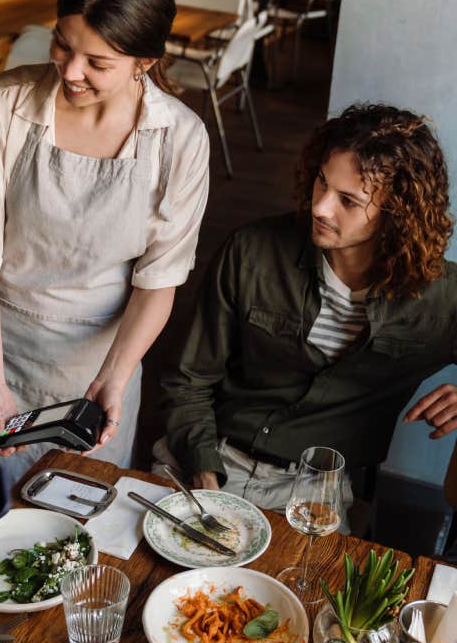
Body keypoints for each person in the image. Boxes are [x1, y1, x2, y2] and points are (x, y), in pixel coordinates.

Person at [0, 0, 210, 484]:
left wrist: (113, 378)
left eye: (98, 62)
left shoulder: (179, 139)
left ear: (145, 61)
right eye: (62, 44)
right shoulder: (4, 103)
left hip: (100, 358)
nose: (70, 71)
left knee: (75, 522)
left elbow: (158, 281)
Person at [159, 103, 457, 519]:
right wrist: (204, 470)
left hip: (317, 489)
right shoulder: (251, 252)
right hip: (209, 452)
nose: (320, 207)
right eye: (322, 182)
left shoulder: (443, 296)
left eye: (348, 201)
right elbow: (188, 379)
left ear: (397, 216)